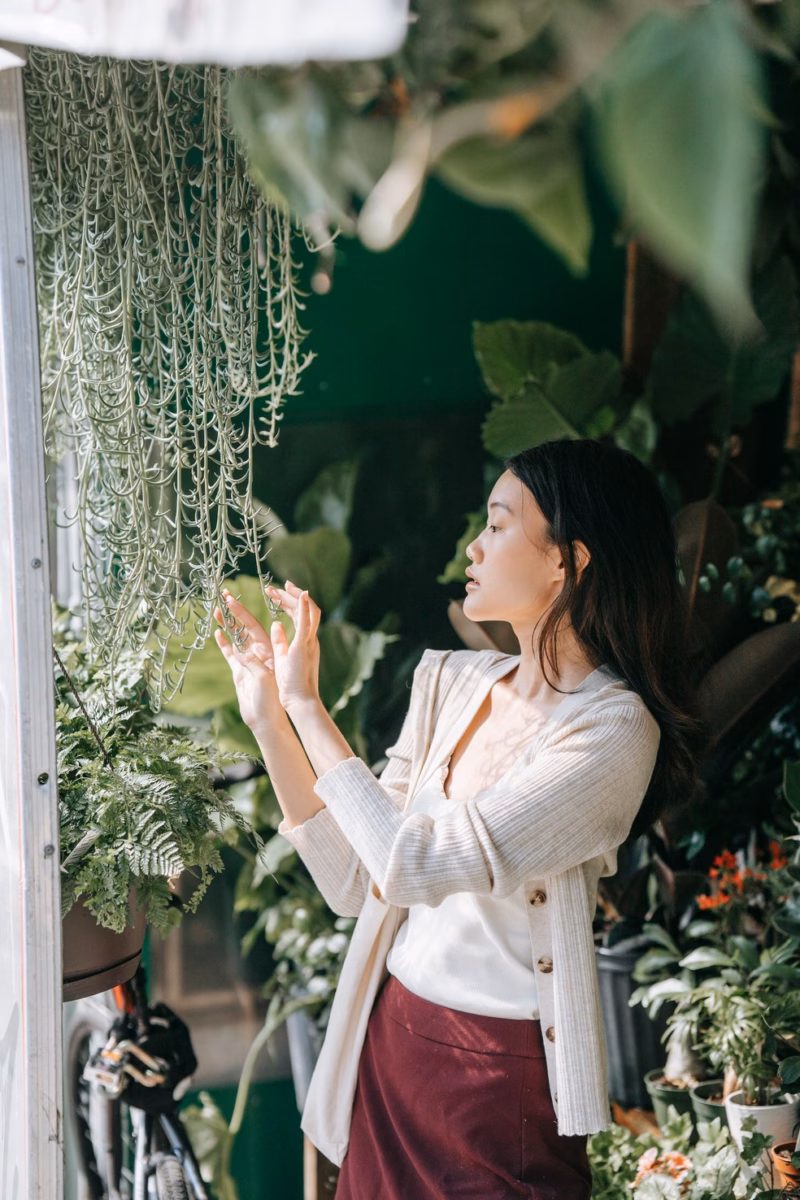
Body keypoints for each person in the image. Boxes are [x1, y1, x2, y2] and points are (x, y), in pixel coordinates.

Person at [214, 438, 703, 1200]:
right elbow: (357, 880)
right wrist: (271, 720)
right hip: (395, 1037)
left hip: (499, 1077)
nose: (473, 546)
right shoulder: (449, 680)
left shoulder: (612, 730)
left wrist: (309, 707)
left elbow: (418, 861)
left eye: (498, 525)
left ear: (566, 562)